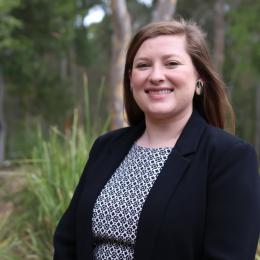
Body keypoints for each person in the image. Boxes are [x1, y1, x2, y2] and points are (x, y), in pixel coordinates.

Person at [53, 19, 260, 260]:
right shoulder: (106, 147)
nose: (156, 76)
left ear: (199, 78)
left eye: (171, 63)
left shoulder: (228, 157)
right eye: (143, 65)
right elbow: (67, 241)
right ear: (131, 79)